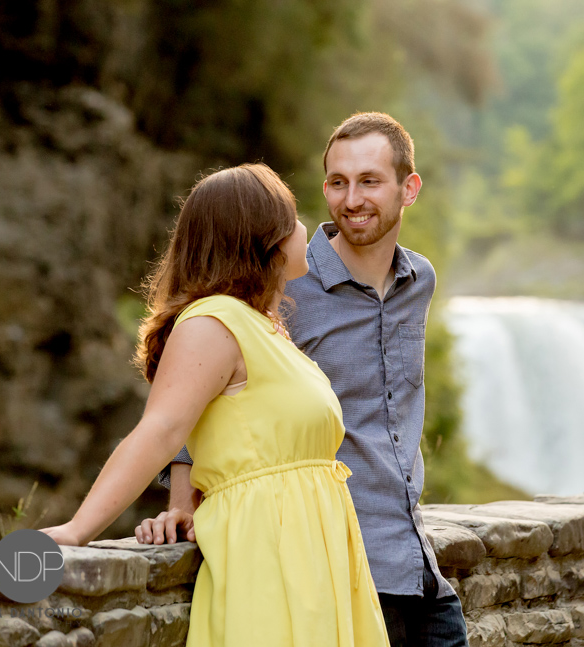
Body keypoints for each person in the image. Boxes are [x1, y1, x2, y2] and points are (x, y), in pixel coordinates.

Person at [141, 113, 471, 647]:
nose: (352, 198)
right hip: (333, 562)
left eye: (369, 181)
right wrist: (182, 502)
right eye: (338, 182)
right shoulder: (288, 282)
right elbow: (200, 390)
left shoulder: (419, 280)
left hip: (416, 563)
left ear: (408, 189)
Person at [42, 163, 389, 647]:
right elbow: (160, 430)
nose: (305, 227)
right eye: (291, 217)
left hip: (318, 557)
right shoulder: (213, 323)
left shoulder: (264, 324)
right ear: (263, 236)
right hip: (268, 561)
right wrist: (79, 530)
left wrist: (188, 503)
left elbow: (243, 437)